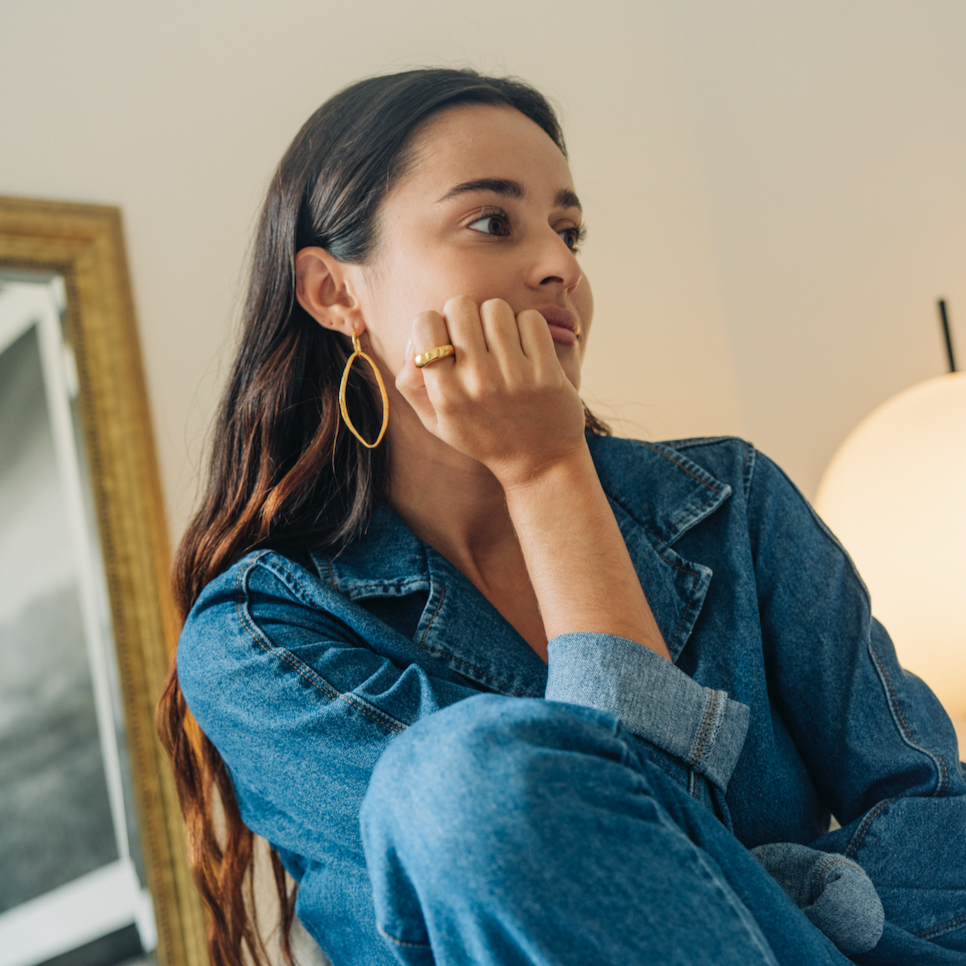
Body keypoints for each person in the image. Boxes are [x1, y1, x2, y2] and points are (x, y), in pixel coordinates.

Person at [158, 68, 966, 966]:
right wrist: (543, 468)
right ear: (333, 293)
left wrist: (553, 469)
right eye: (492, 222)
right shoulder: (261, 638)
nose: (561, 266)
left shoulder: (732, 501)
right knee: (463, 775)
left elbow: (934, 812)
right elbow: (573, 859)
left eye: (569, 229)